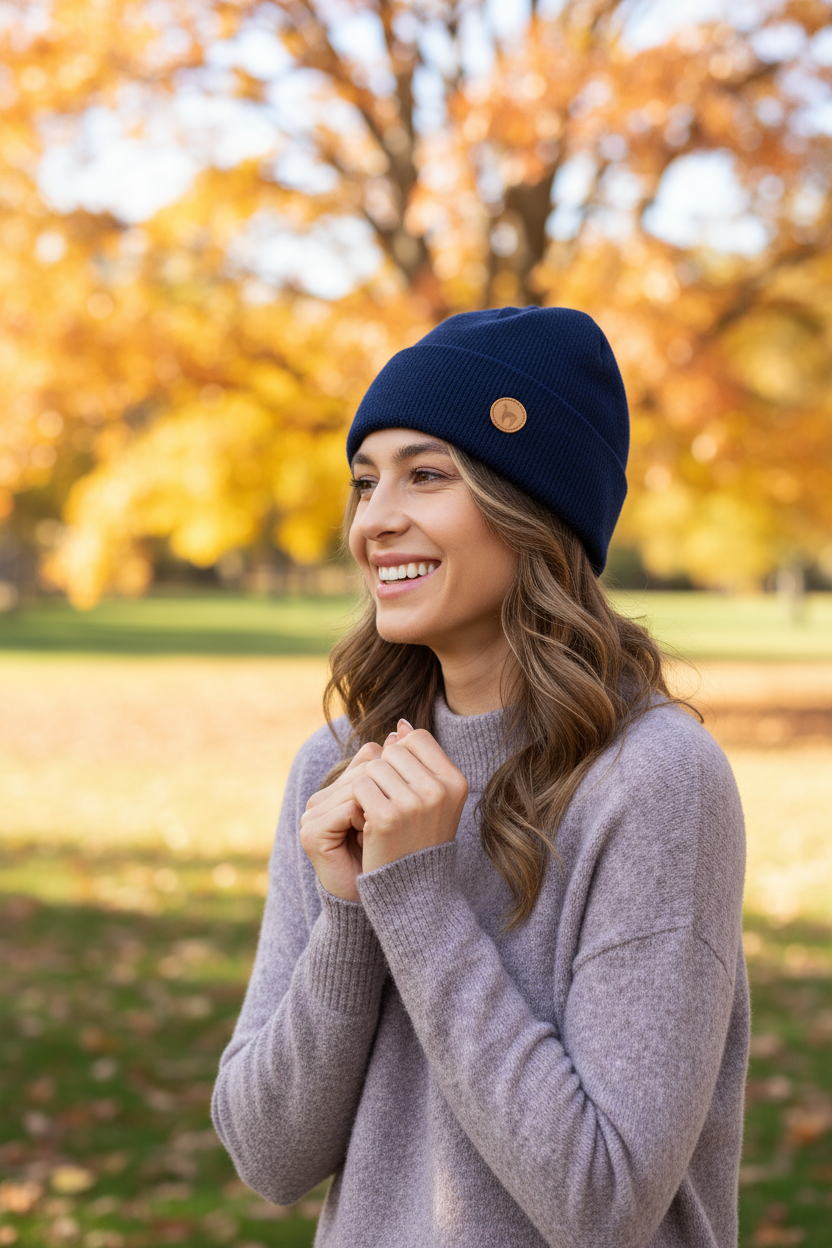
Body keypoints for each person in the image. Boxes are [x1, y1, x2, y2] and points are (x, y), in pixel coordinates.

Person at [212, 306, 749, 1247]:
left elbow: (604, 1202)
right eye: (365, 481)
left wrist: (414, 897)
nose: (376, 520)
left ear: (533, 508)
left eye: (428, 475)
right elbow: (268, 1155)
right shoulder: (339, 773)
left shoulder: (655, 780)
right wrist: (349, 914)